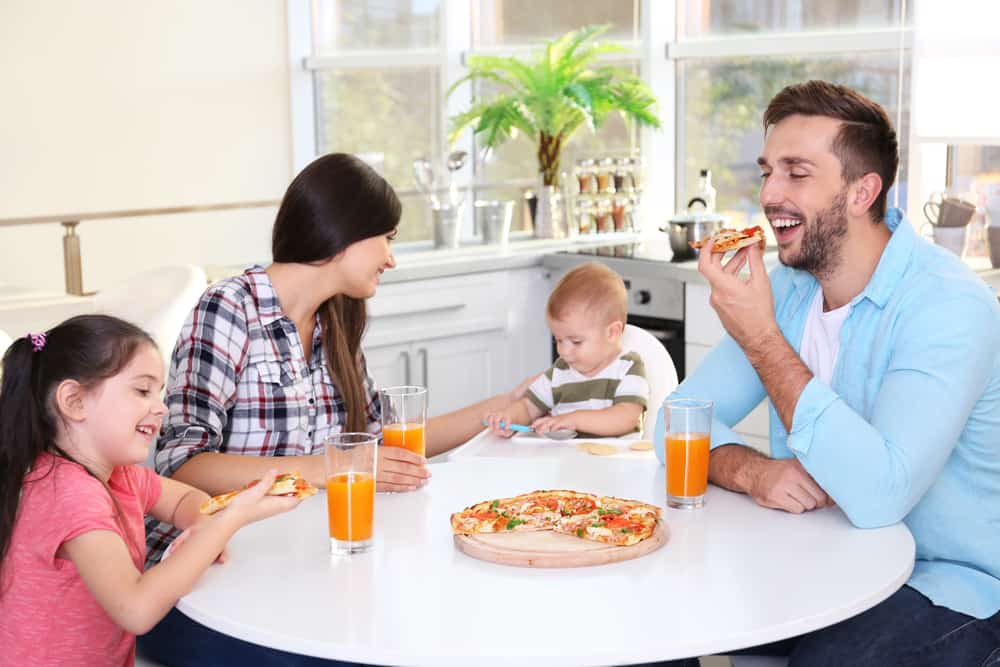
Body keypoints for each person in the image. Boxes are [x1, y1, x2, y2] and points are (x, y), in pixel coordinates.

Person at [655, 80, 1000, 665]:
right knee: (654, 619)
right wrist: (752, 472)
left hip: (948, 582)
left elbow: (879, 495)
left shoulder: (947, 305)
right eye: (767, 172)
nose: (770, 194)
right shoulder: (788, 290)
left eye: (796, 172)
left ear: (863, 191)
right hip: (818, 560)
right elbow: (676, 420)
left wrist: (760, 338)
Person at [141, 153, 528, 665]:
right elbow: (182, 464)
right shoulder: (229, 309)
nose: (391, 258)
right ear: (344, 232)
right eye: (386, 238)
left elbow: (376, 440)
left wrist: (502, 407)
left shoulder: (334, 325)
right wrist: (321, 469)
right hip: (201, 582)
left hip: (295, 564)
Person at [0, 315, 299, 667]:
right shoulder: (70, 495)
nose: (161, 408)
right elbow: (136, 610)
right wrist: (226, 522)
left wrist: (202, 527)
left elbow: (187, 500)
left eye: (158, 393)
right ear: (74, 401)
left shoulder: (119, 476)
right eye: (143, 391)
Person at [485, 262, 649, 438]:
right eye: (558, 340)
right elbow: (527, 406)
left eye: (576, 342)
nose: (563, 351)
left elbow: (626, 418)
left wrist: (573, 419)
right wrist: (510, 418)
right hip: (564, 461)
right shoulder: (560, 372)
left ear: (612, 333)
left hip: (614, 462)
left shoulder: (628, 367)